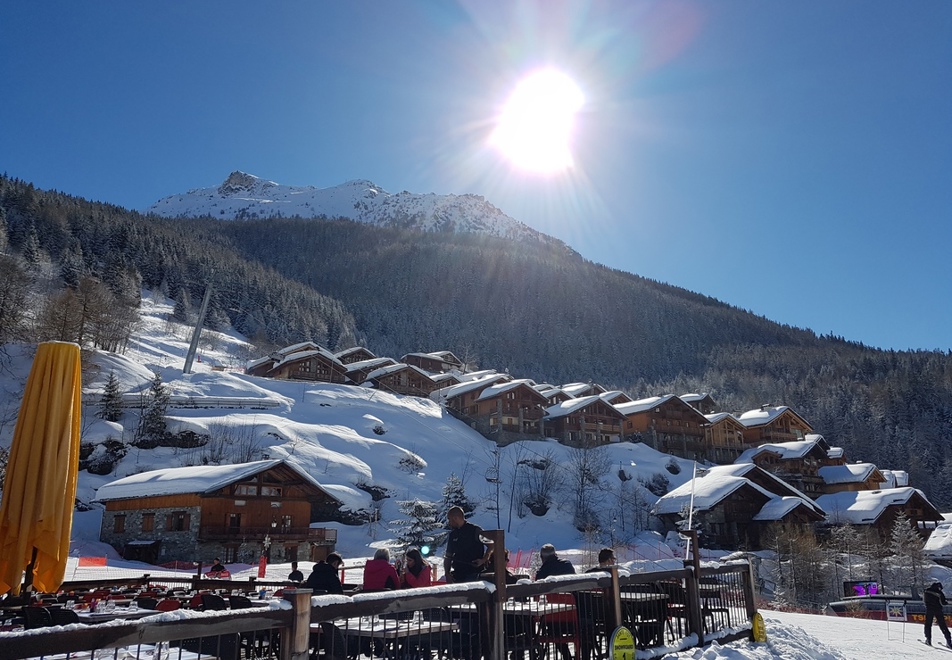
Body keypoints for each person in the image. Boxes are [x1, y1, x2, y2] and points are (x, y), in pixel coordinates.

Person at [444, 506, 493, 583]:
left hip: (474, 574)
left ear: (455, 518)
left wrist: (483, 560)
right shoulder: (453, 534)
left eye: (449, 519)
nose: (449, 523)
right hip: (458, 574)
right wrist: (447, 573)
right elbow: (448, 556)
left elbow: (491, 545)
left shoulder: (475, 530)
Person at [924, 581, 952, 647]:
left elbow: (924, 600)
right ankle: (948, 641)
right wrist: (946, 602)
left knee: (928, 624)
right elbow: (943, 602)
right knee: (942, 625)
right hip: (938, 610)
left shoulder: (926, 591)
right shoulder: (939, 593)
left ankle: (928, 639)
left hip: (929, 609)